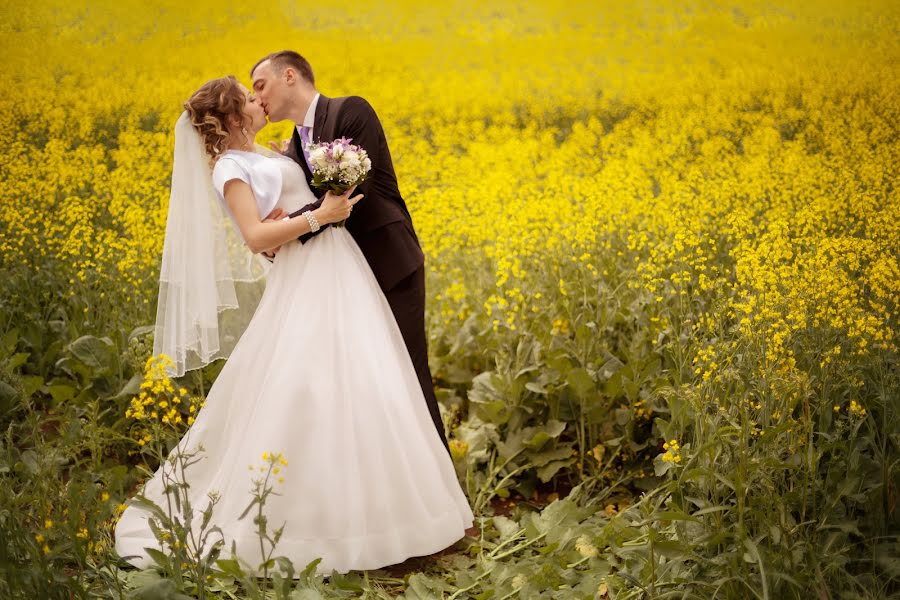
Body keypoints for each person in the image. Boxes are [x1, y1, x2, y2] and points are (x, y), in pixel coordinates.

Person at [113, 75, 474, 577]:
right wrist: (318, 216)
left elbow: (280, 212)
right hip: (308, 277)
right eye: (248, 97)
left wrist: (312, 196)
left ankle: (384, 511)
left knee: (367, 380)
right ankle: (307, 520)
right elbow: (255, 235)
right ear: (234, 116)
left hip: (338, 269)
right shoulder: (231, 168)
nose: (259, 101)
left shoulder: (265, 152)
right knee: (308, 388)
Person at [250, 51, 449, 453]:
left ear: (290, 76)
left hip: (387, 263)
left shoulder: (350, 111)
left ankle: (452, 504)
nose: (257, 99)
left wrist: (279, 233)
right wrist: (277, 231)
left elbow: (348, 195)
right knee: (360, 388)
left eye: (260, 85)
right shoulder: (294, 144)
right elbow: (313, 205)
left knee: (409, 378)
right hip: (343, 278)